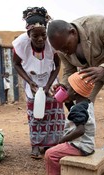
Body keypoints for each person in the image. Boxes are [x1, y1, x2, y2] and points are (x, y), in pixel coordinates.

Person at [47, 15, 104, 164]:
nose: (65, 52)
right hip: (90, 73)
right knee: (80, 107)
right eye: (60, 50)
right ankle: (80, 146)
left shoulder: (99, 24)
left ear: (72, 32)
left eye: (65, 47)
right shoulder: (62, 48)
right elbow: (69, 71)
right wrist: (64, 85)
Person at [12, 7, 65, 159]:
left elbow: (57, 65)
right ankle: (36, 145)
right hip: (32, 80)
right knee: (35, 114)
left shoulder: (52, 42)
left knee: (54, 113)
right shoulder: (20, 44)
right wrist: (29, 82)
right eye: (35, 36)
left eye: (43, 35)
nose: (40, 39)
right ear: (28, 34)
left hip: (50, 78)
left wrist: (48, 85)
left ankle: (50, 145)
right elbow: (16, 64)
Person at [45, 71, 95, 175]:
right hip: (87, 144)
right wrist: (67, 100)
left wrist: (63, 139)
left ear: (75, 92)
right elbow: (74, 113)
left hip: (80, 146)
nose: (66, 89)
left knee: (50, 154)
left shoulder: (78, 108)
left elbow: (80, 130)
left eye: (69, 87)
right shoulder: (85, 103)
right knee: (57, 149)